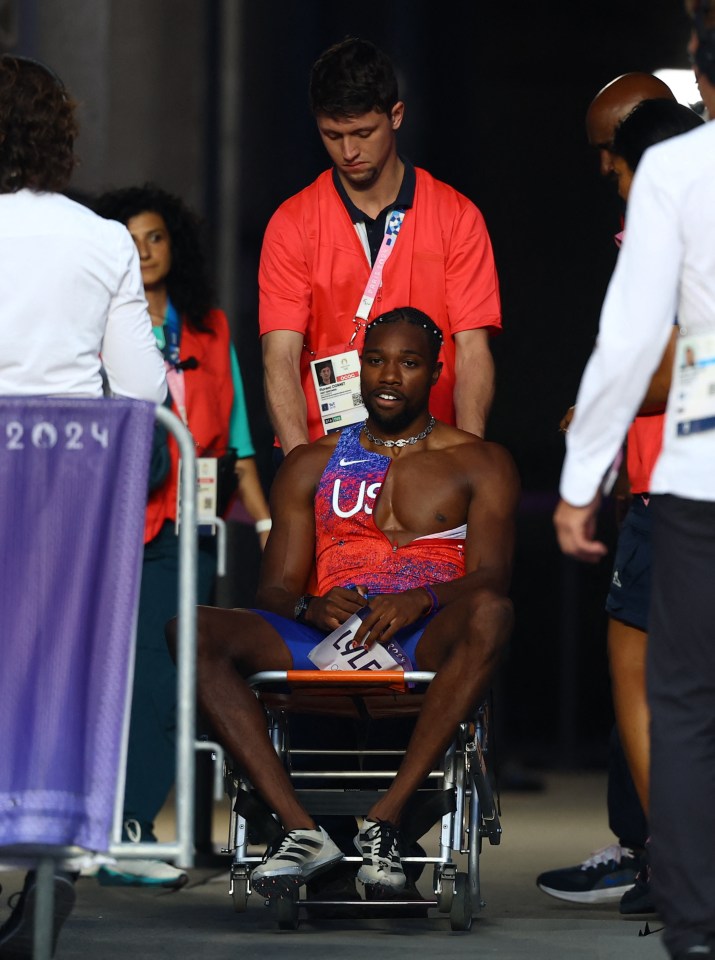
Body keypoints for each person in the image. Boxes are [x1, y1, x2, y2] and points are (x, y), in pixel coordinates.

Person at [170, 307, 518, 896]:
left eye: (408, 363)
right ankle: (302, 832)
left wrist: (422, 598)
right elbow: (273, 590)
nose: (388, 376)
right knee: (190, 629)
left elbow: (493, 576)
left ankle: (385, 821)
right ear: (359, 366)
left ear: (436, 372)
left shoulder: (480, 461)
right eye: (376, 360)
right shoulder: (311, 461)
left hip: (422, 632)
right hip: (331, 634)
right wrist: (308, 607)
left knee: (494, 614)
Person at [554, 3, 715, 955]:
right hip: (680, 472)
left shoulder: (678, 172)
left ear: (699, 63)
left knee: (681, 700)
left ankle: (694, 918)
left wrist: (580, 478)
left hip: (692, 477)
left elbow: (629, 344)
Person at [0, 55, 166, 959]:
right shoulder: (103, 238)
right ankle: (45, 863)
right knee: (43, 683)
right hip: (63, 483)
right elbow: (139, 387)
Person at [92, 185, 271, 888]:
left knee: (168, 678)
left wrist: (261, 522)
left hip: (187, 528)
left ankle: (132, 830)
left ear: (177, 246)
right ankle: (113, 830)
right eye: (131, 240)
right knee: (121, 678)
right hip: (114, 522)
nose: (145, 251)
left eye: (156, 237)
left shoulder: (211, 327)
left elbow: (242, 442)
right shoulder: (102, 320)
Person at [536, 73, 682, 914]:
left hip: (679, 486)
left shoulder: (670, 222)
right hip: (662, 481)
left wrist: (595, 426)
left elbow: (659, 361)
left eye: (610, 152)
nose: (602, 169)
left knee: (638, 666)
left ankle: (675, 858)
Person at [259, 37, 501, 454]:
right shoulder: (291, 224)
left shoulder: (457, 217)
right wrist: (302, 468)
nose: (349, 151)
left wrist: (467, 460)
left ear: (396, 116)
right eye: (332, 135)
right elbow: (277, 357)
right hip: (328, 453)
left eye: (362, 133)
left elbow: (473, 351)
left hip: (432, 455)